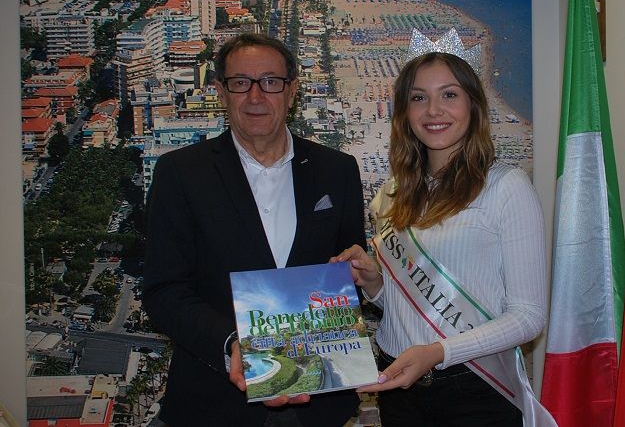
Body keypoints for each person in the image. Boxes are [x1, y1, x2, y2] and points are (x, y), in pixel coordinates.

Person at [142, 33, 365, 426]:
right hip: (216, 403)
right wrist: (232, 344)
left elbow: (347, 275)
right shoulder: (180, 173)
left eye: (271, 82)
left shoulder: (338, 170)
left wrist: (363, 275)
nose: (256, 96)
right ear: (221, 92)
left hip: (321, 401)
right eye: (241, 83)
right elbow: (164, 291)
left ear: (292, 91)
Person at [331, 48, 552, 426]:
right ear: (405, 113)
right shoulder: (392, 192)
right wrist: (375, 285)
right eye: (419, 98)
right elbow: (406, 305)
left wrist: (439, 352)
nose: (433, 110)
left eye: (449, 94)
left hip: (475, 387)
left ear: (474, 106)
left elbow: (529, 317)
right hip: (399, 385)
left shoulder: (505, 187)